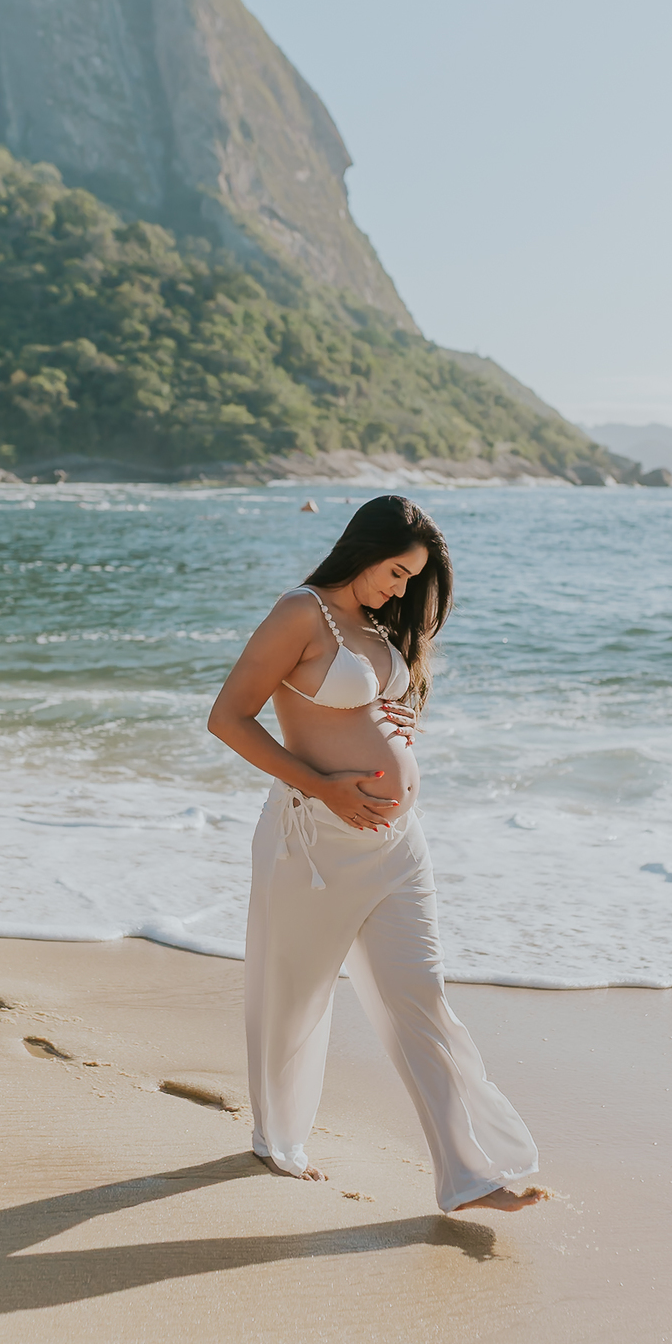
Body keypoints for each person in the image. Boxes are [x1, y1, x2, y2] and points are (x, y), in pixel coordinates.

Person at [208, 495, 545, 1213]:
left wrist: (392, 719)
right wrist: (327, 787)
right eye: (394, 573)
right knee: (292, 1001)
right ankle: (278, 1140)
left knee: (419, 997)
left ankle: (466, 1174)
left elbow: (364, 711)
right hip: (315, 844)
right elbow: (228, 717)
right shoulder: (302, 612)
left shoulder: (376, 627)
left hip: (395, 845)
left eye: (409, 581)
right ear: (363, 549)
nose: (398, 590)